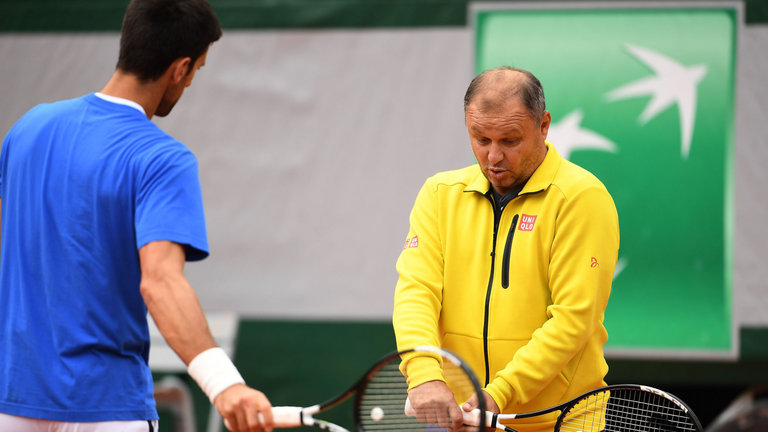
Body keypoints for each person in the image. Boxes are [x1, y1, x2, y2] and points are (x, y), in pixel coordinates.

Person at [0, 1, 273, 431]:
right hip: (108, 407)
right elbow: (160, 281)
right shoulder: (163, 158)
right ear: (180, 69)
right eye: (197, 70)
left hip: (12, 403)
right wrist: (226, 385)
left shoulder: (28, 128)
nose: (189, 83)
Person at [392, 66, 620, 432]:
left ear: (544, 125)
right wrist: (422, 374)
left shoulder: (582, 198)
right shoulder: (439, 194)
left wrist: (499, 393)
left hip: (556, 423)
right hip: (460, 419)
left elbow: (573, 320)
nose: (493, 157)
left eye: (510, 140)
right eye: (480, 139)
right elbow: (416, 292)